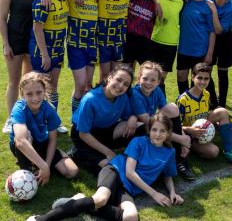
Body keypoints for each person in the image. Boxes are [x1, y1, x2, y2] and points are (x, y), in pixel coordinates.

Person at [26, 113, 184, 221]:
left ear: (169, 133)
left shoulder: (169, 152)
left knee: (131, 218)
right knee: (101, 200)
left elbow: (167, 175)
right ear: (149, 131)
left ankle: (81, 201)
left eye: (162, 131)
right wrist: (154, 194)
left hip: (129, 189)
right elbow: (129, 172)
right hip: (115, 171)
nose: (158, 134)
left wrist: (172, 192)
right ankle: (42, 218)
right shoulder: (139, 142)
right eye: (154, 130)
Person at [68, 64, 146, 175]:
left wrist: (133, 118)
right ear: (109, 77)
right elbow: (83, 134)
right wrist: (108, 152)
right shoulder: (91, 99)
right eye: (118, 80)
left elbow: (128, 115)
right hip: (83, 135)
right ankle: (79, 154)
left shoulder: (122, 97)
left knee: (141, 127)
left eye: (125, 84)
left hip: (105, 131)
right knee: (110, 168)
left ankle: (135, 158)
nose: (120, 86)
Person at [10, 72, 79, 186]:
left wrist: (46, 165)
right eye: (29, 94)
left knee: (72, 172)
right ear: (22, 95)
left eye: (39, 92)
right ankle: (28, 166)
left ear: (44, 91)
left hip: (42, 143)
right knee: (26, 135)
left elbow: (52, 140)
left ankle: (39, 163)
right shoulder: (19, 108)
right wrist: (44, 166)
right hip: (24, 145)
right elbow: (20, 141)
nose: (35, 98)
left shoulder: (49, 109)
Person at [130, 61, 194, 180]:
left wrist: (183, 135)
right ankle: (173, 158)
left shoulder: (157, 91)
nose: (148, 83)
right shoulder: (135, 93)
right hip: (134, 130)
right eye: (145, 78)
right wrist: (180, 139)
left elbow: (166, 115)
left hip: (151, 127)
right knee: (143, 125)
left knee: (172, 108)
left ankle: (180, 160)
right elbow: (147, 121)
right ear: (139, 78)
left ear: (159, 82)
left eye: (153, 80)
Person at [0, 0, 39, 133]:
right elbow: (1, 18)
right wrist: (6, 44)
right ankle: (10, 119)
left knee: (30, 82)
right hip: (15, 40)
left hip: (33, 41)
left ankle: (26, 116)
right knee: (14, 81)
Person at [176, 63, 232, 169]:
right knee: (213, 152)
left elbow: (205, 113)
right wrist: (191, 130)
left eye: (206, 79)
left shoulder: (206, 94)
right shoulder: (183, 100)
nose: (203, 82)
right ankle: (191, 148)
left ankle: (228, 151)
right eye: (199, 78)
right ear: (193, 77)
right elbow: (176, 126)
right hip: (189, 134)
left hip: (202, 128)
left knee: (222, 111)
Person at [30, 0, 69, 134]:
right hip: (43, 50)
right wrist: (45, 55)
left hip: (59, 48)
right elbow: (37, 29)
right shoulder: (43, 0)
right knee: (39, 88)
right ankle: (37, 122)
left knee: (53, 84)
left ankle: (53, 120)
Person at [177, 0, 215, 95]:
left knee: (197, 81)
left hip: (200, 49)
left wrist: (209, 53)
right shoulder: (183, 0)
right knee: (181, 76)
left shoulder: (207, 6)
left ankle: (197, 107)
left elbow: (212, 32)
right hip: (184, 48)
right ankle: (182, 103)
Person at [151, 0, 185, 96]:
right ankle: (158, 104)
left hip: (170, 44)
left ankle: (161, 105)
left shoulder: (182, 2)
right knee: (152, 75)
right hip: (154, 41)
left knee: (162, 77)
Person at [97, 0, 133, 81]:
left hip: (119, 39)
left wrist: (156, 2)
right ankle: (102, 97)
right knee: (104, 75)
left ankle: (114, 98)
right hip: (104, 39)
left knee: (116, 74)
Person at [205, 0, 232, 108]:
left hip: (224, 39)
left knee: (222, 72)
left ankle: (221, 103)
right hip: (208, 39)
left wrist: (213, 10)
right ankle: (212, 100)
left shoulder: (231, 7)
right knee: (206, 71)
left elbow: (218, 30)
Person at [123, 0, 157, 68]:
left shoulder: (156, 1)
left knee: (150, 69)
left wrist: (156, 1)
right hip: (128, 39)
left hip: (144, 41)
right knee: (125, 70)